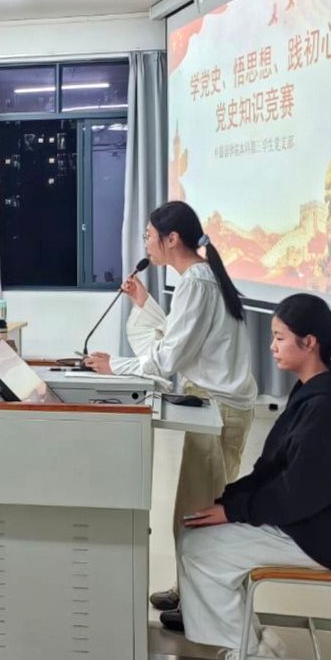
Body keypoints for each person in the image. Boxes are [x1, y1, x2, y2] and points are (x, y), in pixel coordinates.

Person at [179, 293, 331, 660]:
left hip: (329, 533)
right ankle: (254, 646)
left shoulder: (329, 407)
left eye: (279, 338)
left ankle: (247, 656)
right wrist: (231, 502)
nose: (271, 346)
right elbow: (274, 467)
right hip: (317, 519)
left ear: (310, 343)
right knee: (201, 536)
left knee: (198, 549)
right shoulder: (317, 389)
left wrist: (235, 511)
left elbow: (300, 493)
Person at [83, 201, 257, 630]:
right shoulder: (201, 276)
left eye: (148, 235)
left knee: (201, 510)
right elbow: (179, 338)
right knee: (199, 504)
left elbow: (170, 356)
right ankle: (190, 590)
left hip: (218, 406)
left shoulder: (196, 281)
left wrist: (115, 366)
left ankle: (202, 603)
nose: (145, 243)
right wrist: (144, 303)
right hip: (221, 403)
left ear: (171, 238)